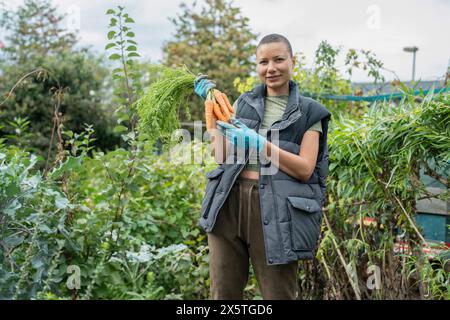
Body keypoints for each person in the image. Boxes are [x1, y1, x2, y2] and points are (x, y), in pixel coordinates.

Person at [194, 34, 331, 300]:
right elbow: (222, 157)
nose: (271, 68)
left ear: (293, 61)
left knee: (277, 294)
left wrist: (259, 143)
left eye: (279, 60)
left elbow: (305, 169)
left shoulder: (310, 112)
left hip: (278, 211)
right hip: (229, 204)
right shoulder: (243, 102)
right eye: (263, 62)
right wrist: (211, 116)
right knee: (223, 294)